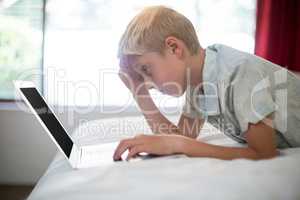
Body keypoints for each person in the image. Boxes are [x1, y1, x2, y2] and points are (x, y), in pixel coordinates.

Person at [113, 6, 300, 161]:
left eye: (146, 70)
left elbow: (264, 153)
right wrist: (139, 92)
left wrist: (176, 143)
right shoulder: (197, 83)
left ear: (174, 48)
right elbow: (182, 137)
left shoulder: (238, 72)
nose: (148, 84)